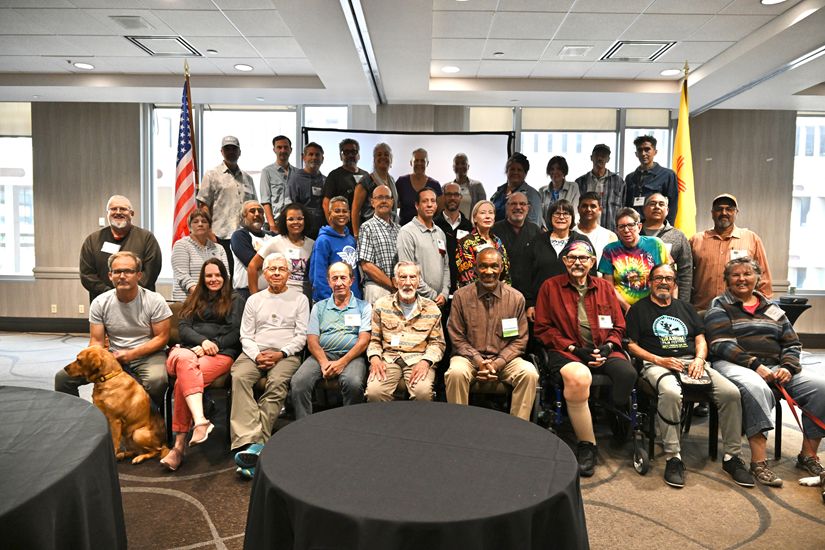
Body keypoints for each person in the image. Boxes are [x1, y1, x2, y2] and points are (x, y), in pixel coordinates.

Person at [625, 263, 752, 489]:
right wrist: (658, 360)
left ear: (674, 284)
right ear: (650, 282)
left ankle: (732, 457)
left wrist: (699, 359)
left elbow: (700, 338)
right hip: (657, 363)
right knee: (671, 393)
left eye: (668, 278)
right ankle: (673, 457)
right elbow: (631, 345)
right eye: (658, 278)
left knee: (731, 393)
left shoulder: (686, 308)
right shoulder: (638, 309)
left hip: (691, 362)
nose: (663, 282)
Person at [705, 257, 825, 487]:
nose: (742, 279)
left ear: (757, 278)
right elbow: (721, 343)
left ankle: (808, 455)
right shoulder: (719, 305)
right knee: (757, 387)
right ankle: (759, 462)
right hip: (734, 365)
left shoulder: (772, 308)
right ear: (727, 280)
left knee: (821, 389)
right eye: (735, 275)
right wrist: (754, 365)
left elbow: (792, 343)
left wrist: (788, 367)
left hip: (775, 366)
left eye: (747, 274)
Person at [533, 241, 636, 477]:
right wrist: (575, 349)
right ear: (565, 261)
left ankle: (615, 417)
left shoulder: (605, 287)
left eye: (583, 258)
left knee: (628, 373)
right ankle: (587, 445)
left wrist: (608, 348)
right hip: (567, 351)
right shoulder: (550, 287)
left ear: (592, 262)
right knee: (580, 377)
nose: (577, 262)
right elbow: (543, 328)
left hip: (604, 348)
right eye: (572, 258)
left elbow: (619, 325)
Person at [57, 251, 171, 407]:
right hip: (113, 354)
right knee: (63, 379)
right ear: (110, 276)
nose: (122, 276)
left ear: (138, 275)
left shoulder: (154, 300)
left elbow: (161, 338)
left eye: (128, 271)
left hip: (148, 354)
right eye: (117, 271)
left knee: (156, 381)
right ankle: (77, 421)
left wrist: (131, 354)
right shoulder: (100, 302)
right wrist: (93, 359)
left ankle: (148, 420)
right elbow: (96, 341)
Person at [230, 253, 309, 478]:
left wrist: (281, 353)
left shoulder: (300, 299)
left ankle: (254, 446)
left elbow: (301, 336)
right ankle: (254, 440)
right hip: (254, 352)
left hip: (285, 355)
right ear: (264, 274)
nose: (276, 273)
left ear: (289, 273)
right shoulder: (254, 300)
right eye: (272, 269)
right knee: (239, 377)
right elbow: (245, 335)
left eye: (281, 269)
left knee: (277, 383)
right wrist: (257, 356)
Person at [162, 258, 243, 471]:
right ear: (202, 277)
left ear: (225, 277)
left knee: (182, 382)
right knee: (186, 360)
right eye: (209, 275)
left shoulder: (235, 299)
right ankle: (199, 419)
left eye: (218, 275)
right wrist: (202, 342)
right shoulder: (193, 298)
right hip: (186, 351)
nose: (213, 279)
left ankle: (178, 447)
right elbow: (183, 328)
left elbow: (235, 332)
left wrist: (211, 345)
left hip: (220, 354)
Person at [446, 248, 538, 420]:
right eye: (483, 266)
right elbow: (457, 338)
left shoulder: (516, 298)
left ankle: (519, 428)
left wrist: (497, 363)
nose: (489, 272)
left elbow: (520, 340)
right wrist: (479, 361)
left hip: (505, 359)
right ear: (475, 268)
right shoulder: (461, 296)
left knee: (529, 373)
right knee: (455, 373)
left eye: (494, 266)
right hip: (468, 359)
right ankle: (458, 427)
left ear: (502, 267)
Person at [291, 262, 372, 419]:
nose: (339, 283)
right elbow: (312, 340)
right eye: (334, 279)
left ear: (352, 280)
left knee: (353, 383)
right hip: (323, 354)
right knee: (298, 382)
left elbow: (363, 341)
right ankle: (303, 426)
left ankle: (351, 425)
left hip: (352, 356)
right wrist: (323, 362)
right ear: (328, 282)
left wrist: (341, 362)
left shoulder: (364, 307)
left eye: (343, 278)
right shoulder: (319, 307)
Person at [365, 261, 445, 402]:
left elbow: (437, 344)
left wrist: (426, 362)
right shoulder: (381, 305)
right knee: (374, 392)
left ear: (418, 282)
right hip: (389, 359)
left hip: (419, 359)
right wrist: (375, 359)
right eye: (403, 278)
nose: (408, 282)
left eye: (412, 277)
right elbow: (374, 340)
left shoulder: (431, 308)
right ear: (395, 282)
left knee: (422, 393)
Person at [689, 194, 773, 312]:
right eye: (719, 209)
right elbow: (686, 276)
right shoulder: (696, 240)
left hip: (741, 311)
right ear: (712, 213)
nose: (724, 212)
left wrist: (762, 308)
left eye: (729, 209)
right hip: (703, 309)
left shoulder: (752, 239)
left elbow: (764, 277)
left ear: (736, 213)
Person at [80, 195, 162, 302]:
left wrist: (129, 294)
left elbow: (151, 272)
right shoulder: (92, 240)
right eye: (113, 209)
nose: (118, 212)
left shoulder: (147, 239)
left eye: (123, 209)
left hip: (139, 303)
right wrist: (111, 294)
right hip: (103, 302)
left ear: (132, 213)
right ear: (107, 213)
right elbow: (87, 275)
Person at [197, 136, 258, 274]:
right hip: (221, 236)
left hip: (245, 235)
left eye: (234, 149)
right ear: (222, 152)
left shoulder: (248, 178)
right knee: (223, 274)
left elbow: (254, 206)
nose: (231, 152)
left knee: (243, 274)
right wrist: (209, 232)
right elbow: (203, 205)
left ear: (239, 152)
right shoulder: (212, 175)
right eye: (227, 149)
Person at [524, 199, 592, 322]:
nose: (561, 217)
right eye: (557, 213)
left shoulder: (581, 241)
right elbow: (526, 275)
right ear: (550, 217)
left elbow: (590, 274)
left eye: (566, 214)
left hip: (575, 305)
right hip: (542, 304)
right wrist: (529, 304)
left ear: (572, 217)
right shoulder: (537, 241)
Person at [599, 207, 668, 313]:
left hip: (654, 306)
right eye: (621, 227)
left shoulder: (656, 244)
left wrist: (671, 304)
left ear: (639, 227)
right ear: (617, 230)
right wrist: (626, 307)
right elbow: (609, 285)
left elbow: (670, 276)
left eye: (631, 225)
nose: (626, 230)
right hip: (621, 307)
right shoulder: (610, 250)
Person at [396, 188, 450, 308]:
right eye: (425, 201)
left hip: (439, 302)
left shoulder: (440, 233)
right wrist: (432, 296)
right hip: (417, 302)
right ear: (417, 205)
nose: (429, 205)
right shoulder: (407, 232)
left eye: (432, 201)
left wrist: (444, 293)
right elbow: (407, 271)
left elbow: (446, 266)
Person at [249, 203, 315, 300]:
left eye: (300, 218)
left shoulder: (313, 245)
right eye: (291, 219)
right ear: (285, 222)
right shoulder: (275, 242)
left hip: (304, 299)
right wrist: (254, 298)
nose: (295, 222)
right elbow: (252, 267)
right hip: (279, 298)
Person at [309, 196, 360, 302]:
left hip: (351, 300)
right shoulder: (323, 240)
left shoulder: (351, 239)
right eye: (337, 211)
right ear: (329, 215)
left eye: (344, 211)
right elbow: (318, 276)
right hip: (330, 301)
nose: (341, 214)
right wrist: (329, 301)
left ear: (349, 214)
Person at [641, 194, 692, 301]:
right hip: (635, 298)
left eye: (661, 204)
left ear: (667, 210)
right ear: (644, 210)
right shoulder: (633, 233)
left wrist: (681, 303)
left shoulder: (678, 236)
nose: (657, 207)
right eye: (652, 204)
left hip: (666, 299)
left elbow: (685, 272)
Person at [171, 209, 228, 302]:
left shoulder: (219, 248)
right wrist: (203, 295)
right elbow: (183, 276)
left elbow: (226, 275)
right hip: (187, 302)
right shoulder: (181, 245)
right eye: (195, 222)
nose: (200, 224)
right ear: (190, 226)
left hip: (215, 302)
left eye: (204, 221)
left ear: (210, 226)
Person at [357, 185, 401, 304]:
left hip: (399, 290)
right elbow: (366, 265)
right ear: (372, 202)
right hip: (378, 288)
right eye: (379, 197)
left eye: (387, 197)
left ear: (392, 202)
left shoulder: (399, 229)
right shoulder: (367, 227)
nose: (383, 201)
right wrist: (392, 286)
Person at [493, 192, 541, 297]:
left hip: (528, 293)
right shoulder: (494, 230)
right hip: (500, 292)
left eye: (522, 204)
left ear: (528, 208)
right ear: (506, 207)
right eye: (513, 204)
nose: (518, 207)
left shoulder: (536, 231)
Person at [624, 135, 678, 224]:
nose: (643, 153)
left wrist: (668, 229)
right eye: (640, 150)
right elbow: (627, 205)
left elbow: (672, 206)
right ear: (636, 153)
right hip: (634, 227)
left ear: (655, 152)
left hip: (656, 226)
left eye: (647, 149)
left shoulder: (667, 175)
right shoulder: (630, 178)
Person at [456, 200, 511, 288]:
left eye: (491, 213)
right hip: (475, 294)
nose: (487, 216)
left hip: (500, 295)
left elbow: (506, 272)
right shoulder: (466, 242)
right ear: (475, 218)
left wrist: (503, 292)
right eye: (483, 213)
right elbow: (468, 276)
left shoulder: (497, 241)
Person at [434, 182, 474, 297]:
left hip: (462, 287)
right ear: (443, 197)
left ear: (460, 197)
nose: (452, 198)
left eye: (456, 195)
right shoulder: (435, 225)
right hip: (439, 288)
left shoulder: (468, 226)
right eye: (449, 194)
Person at [352, 142, 399, 238]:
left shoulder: (392, 181)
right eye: (379, 154)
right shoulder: (366, 181)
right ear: (374, 159)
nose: (383, 157)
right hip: (371, 233)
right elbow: (355, 210)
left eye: (386, 155)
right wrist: (356, 235)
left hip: (391, 231)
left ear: (391, 160)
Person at [323, 138, 370, 234]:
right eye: (346, 152)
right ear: (341, 156)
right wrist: (333, 227)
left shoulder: (366, 175)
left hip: (365, 225)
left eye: (353, 151)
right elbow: (326, 203)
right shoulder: (334, 175)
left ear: (358, 155)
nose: (350, 155)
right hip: (343, 227)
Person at [574, 144, 625, 233]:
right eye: (597, 155)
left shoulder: (618, 182)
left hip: (611, 231)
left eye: (604, 156)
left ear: (608, 159)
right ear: (591, 157)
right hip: (585, 231)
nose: (600, 158)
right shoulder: (580, 182)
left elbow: (624, 208)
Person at [230, 201, 275, 300]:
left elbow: (284, 259)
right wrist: (271, 253)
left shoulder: (272, 236)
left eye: (260, 211)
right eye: (252, 211)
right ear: (244, 216)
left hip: (272, 294)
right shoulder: (239, 236)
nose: (257, 214)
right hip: (245, 295)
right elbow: (251, 262)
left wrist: (261, 251)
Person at [490, 153, 543, 228]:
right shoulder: (499, 192)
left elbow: (534, 226)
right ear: (507, 171)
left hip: (518, 238)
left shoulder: (532, 194)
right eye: (512, 169)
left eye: (519, 170)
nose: (515, 172)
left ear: (525, 173)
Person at [287, 142, 326, 240]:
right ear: (304, 158)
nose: (314, 157)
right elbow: (291, 207)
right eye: (311, 154)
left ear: (322, 159)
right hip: (303, 231)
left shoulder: (326, 180)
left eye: (317, 155)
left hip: (323, 231)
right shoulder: (296, 180)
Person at [395, 148, 443, 226]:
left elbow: (440, 214)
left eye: (422, 161)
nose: (419, 163)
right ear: (411, 163)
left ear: (427, 163)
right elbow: (393, 205)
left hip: (427, 231)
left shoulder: (435, 185)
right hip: (404, 231)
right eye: (416, 160)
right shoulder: (402, 182)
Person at [260, 135, 296, 232]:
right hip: (274, 223)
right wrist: (272, 225)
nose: (283, 150)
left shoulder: (298, 173)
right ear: (274, 150)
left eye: (286, 147)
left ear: (291, 150)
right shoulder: (267, 171)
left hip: (293, 223)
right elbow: (265, 201)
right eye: (279, 147)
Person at [573, 192, 618, 268]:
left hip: (601, 279)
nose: (588, 209)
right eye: (584, 206)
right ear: (578, 209)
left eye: (593, 206)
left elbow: (615, 266)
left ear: (600, 210)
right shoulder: (569, 233)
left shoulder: (610, 237)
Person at [539, 156, 581, 227]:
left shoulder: (573, 187)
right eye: (552, 169)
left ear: (564, 171)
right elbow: (539, 214)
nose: (555, 172)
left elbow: (575, 214)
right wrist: (543, 229)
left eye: (558, 169)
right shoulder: (542, 191)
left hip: (567, 231)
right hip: (546, 232)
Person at [443, 153, 486, 220]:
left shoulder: (477, 186)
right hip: (450, 227)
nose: (460, 166)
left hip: (470, 228)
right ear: (453, 167)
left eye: (463, 163)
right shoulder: (445, 187)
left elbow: (483, 210)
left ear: (468, 166)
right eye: (457, 163)